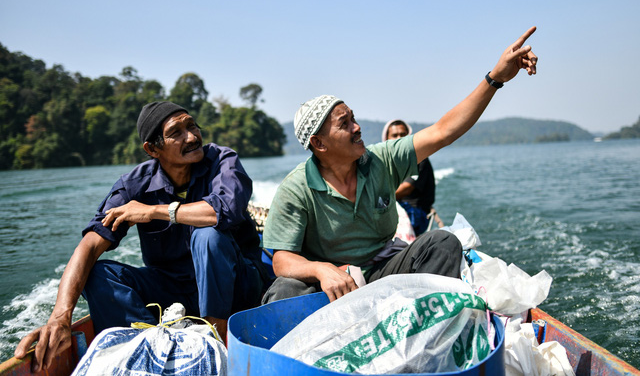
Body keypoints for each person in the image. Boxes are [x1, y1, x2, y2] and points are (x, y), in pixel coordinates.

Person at [262, 26, 538, 303]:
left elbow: (444, 131)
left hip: (384, 271)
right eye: (344, 124)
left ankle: (421, 332)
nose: (357, 128)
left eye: (354, 118)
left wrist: (495, 79)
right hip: (332, 286)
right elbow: (281, 260)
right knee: (285, 290)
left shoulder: (381, 160)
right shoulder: (296, 189)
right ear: (319, 144)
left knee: (442, 243)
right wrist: (321, 270)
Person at [15, 101, 268, 372]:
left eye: (192, 125)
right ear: (152, 148)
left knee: (208, 236)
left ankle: (215, 344)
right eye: (177, 132)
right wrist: (60, 317)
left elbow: (224, 210)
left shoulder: (221, 160)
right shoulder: (135, 185)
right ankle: (152, 345)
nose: (192, 137)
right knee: (98, 273)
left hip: (236, 284)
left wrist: (154, 212)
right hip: (174, 290)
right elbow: (89, 246)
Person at [382, 119, 438, 235]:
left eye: (403, 135)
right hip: (394, 207)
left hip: (416, 212)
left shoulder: (418, 158)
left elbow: (407, 188)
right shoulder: (386, 163)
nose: (399, 138)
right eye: (394, 135)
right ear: (386, 139)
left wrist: (376, 198)